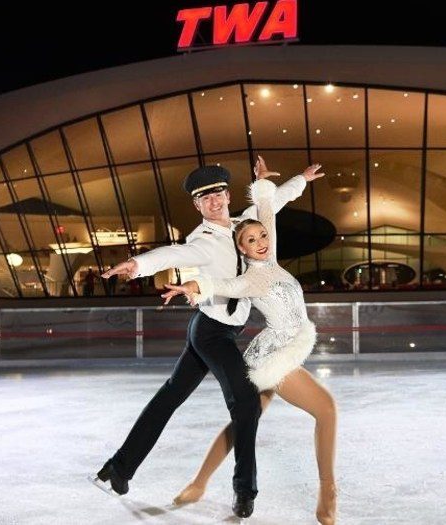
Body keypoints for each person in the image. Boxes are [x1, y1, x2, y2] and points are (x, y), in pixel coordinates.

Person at [95, 157, 322, 518]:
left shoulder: (243, 224)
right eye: (205, 198)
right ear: (197, 205)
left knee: (169, 397)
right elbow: (173, 253)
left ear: (228, 195)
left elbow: (273, 202)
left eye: (218, 194)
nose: (214, 202)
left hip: (220, 329)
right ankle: (244, 490)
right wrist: (138, 265)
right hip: (212, 333)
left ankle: (118, 468)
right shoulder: (201, 241)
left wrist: (302, 179)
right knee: (246, 402)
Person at [161, 171, 337, 525]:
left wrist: (295, 179)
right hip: (276, 358)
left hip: (269, 349)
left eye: (262, 236)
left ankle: (198, 483)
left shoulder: (270, 259)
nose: (260, 241)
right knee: (327, 411)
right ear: (241, 249)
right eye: (251, 240)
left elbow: (269, 204)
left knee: (245, 419)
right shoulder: (252, 277)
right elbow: (219, 283)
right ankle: (328, 491)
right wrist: (193, 286)